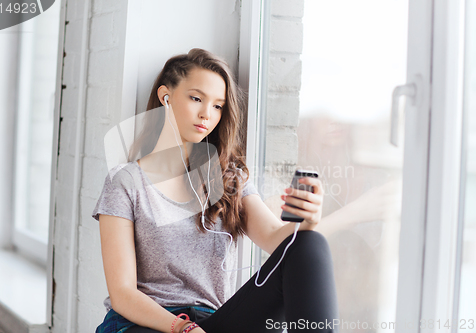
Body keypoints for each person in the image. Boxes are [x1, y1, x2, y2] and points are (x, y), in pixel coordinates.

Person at [92, 48, 338, 333]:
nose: (206, 114)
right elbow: (122, 294)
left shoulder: (230, 179)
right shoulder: (126, 182)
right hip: (145, 324)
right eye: (196, 98)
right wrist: (182, 328)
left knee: (310, 244)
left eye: (218, 106)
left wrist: (307, 221)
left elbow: (275, 239)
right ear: (165, 96)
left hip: (213, 323)